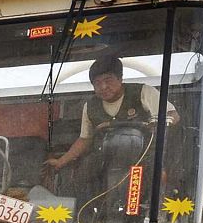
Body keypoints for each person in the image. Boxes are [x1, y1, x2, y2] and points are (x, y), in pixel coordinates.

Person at [43, 55, 177, 173]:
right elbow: (85, 139)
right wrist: (61, 162)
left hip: (142, 163)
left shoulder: (143, 92)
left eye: (108, 80)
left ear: (120, 79)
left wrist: (155, 125)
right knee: (84, 172)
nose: (103, 87)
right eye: (97, 83)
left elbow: (172, 115)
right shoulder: (90, 106)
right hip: (105, 165)